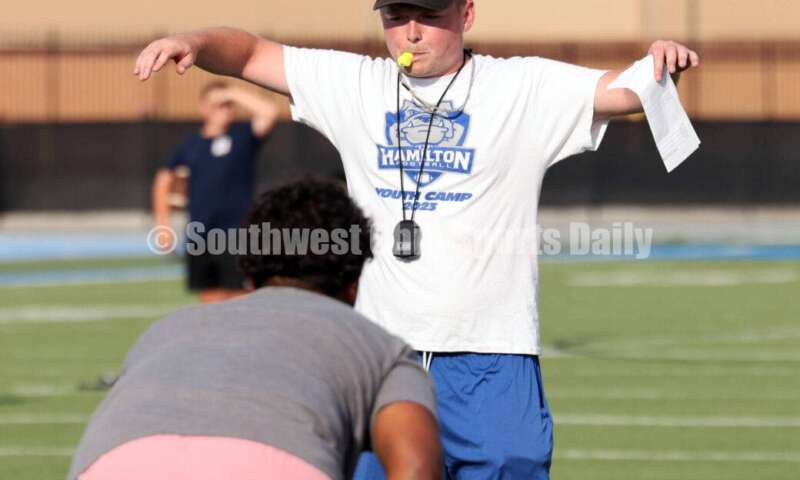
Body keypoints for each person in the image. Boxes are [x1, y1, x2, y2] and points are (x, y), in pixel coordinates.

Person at [133, 1, 700, 478]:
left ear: (467, 13)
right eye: (396, 15)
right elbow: (252, 52)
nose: (409, 32)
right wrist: (194, 40)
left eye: (428, 15)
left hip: (491, 357)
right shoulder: (355, 83)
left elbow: (620, 93)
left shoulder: (523, 85)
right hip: (380, 360)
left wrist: (658, 65)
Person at [68, 178, 442, 480]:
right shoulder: (381, 350)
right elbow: (415, 467)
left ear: (248, 275)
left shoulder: (165, 330)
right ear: (354, 284)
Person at [152, 81, 279, 303]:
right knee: (210, 299)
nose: (225, 109)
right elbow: (163, 181)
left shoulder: (242, 137)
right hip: (200, 233)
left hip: (236, 233)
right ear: (204, 108)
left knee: (242, 298)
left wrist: (232, 93)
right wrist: (163, 225)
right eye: (219, 104)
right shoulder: (190, 146)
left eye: (228, 105)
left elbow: (269, 112)